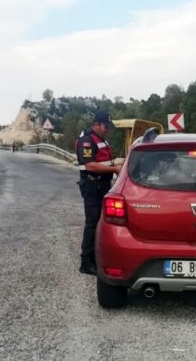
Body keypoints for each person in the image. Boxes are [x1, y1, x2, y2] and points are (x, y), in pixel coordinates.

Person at [75, 110, 121, 275]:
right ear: (96, 124)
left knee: (101, 223)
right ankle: (86, 263)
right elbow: (90, 165)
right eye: (106, 126)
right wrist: (114, 168)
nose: (107, 129)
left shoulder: (101, 140)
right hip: (92, 186)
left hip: (102, 185)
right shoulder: (87, 140)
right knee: (92, 224)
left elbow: (104, 161)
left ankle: (96, 256)